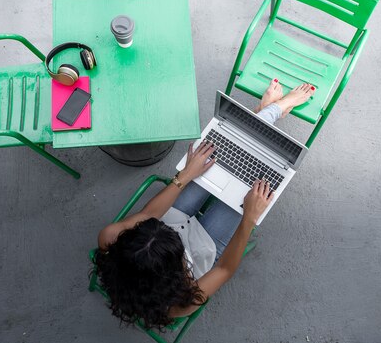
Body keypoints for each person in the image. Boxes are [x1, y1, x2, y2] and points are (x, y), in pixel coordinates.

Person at [94, 81, 314, 330]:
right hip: (204, 248)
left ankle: (270, 112)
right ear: (174, 274)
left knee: (215, 155)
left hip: (173, 219)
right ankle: (270, 112)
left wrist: (185, 176)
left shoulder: (111, 238)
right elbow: (225, 268)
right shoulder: (180, 303)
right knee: (254, 183)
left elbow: (148, 214)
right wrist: (248, 220)